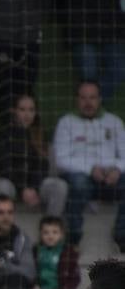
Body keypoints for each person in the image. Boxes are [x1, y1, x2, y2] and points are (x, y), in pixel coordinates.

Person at [53, 80, 125, 250]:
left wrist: (117, 169)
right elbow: (61, 159)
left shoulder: (114, 122)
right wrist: (90, 169)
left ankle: (122, 236)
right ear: (77, 100)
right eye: (83, 98)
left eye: (92, 97)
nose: (88, 102)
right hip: (80, 176)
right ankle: (73, 238)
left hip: (110, 179)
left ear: (100, 99)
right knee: (79, 183)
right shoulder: (66, 122)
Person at [0, 93, 68, 215]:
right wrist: (23, 189)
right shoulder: (4, 134)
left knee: (60, 186)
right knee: (2, 186)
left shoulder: (39, 133)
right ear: (14, 111)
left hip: (35, 186)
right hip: (13, 184)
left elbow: (42, 166)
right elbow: (4, 166)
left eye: (31, 110)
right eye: (22, 110)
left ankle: (51, 224)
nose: (27, 114)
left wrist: (33, 188)